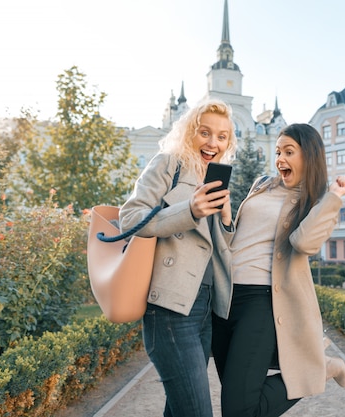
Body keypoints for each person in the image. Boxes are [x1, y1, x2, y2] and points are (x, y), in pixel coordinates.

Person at [211, 123, 345, 417]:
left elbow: (304, 243)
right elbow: (240, 239)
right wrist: (226, 217)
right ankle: (319, 368)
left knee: (236, 410)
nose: (280, 159)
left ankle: (319, 371)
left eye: (289, 152)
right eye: (277, 152)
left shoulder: (317, 201)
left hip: (261, 301)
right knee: (238, 399)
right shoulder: (262, 183)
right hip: (225, 298)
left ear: (309, 157)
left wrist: (334, 197)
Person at [118, 99, 237, 417]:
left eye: (222, 136)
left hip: (204, 311)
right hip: (169, 312)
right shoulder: (168, 164)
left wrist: (225, 219)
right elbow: (130, 217)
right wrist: (190, 210)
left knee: (181, 409)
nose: (213, 142)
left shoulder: (212, 178)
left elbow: (216, 252)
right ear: (189, 133)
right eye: (205, 132)